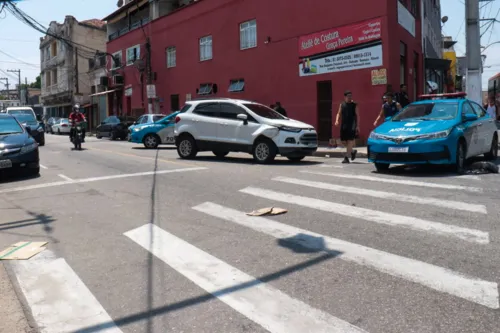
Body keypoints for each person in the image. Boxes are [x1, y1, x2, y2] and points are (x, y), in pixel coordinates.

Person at [335, 90, 359, 164]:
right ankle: (352, 151)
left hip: (352, 125)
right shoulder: (342, 104)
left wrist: (358, 126)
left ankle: (346, 157)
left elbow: (357, 115)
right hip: (344, 125)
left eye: (350, 96)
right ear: (345, 97)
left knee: (350, 140)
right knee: (343, 141)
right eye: (348, 96)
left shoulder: (354, 104)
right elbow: (338, 113)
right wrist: (336, 120)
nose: (350, 97)